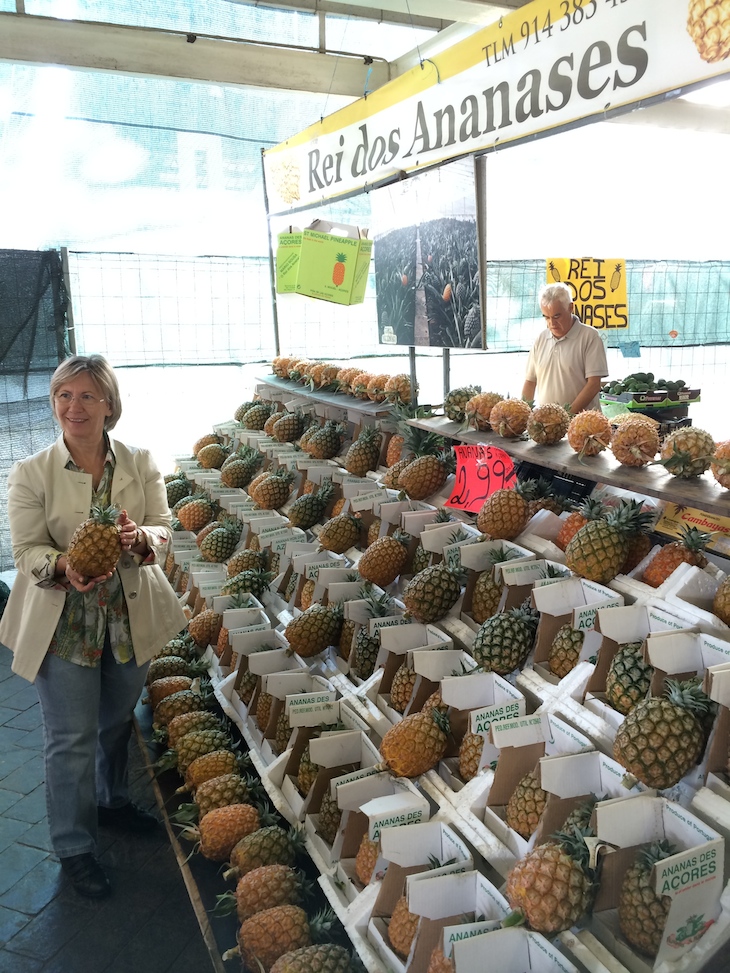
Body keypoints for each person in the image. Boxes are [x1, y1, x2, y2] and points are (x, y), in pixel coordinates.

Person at [0, 355, 187, 899]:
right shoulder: (32, 472)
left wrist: (141, 538)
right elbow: (27, 550)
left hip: (129, 616)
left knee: (114, 721)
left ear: (110, 405)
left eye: (86, 396)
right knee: (69, 738)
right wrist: (64, 566)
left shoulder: (140, 461)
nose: (73, 407)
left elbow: (164, 528)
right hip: (64, 621)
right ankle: (74, 846)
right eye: (64, 395)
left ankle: (110, 802)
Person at [522, 281, 608, 413]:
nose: (552, 323)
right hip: (547, 425)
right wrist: (522, 414)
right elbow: (530, 381)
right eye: (546, 317)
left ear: (570, 308)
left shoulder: (590, 337)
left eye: (557, 316)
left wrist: (565, 416)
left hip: (584, 424)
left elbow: (594, 385)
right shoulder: (541, 339)